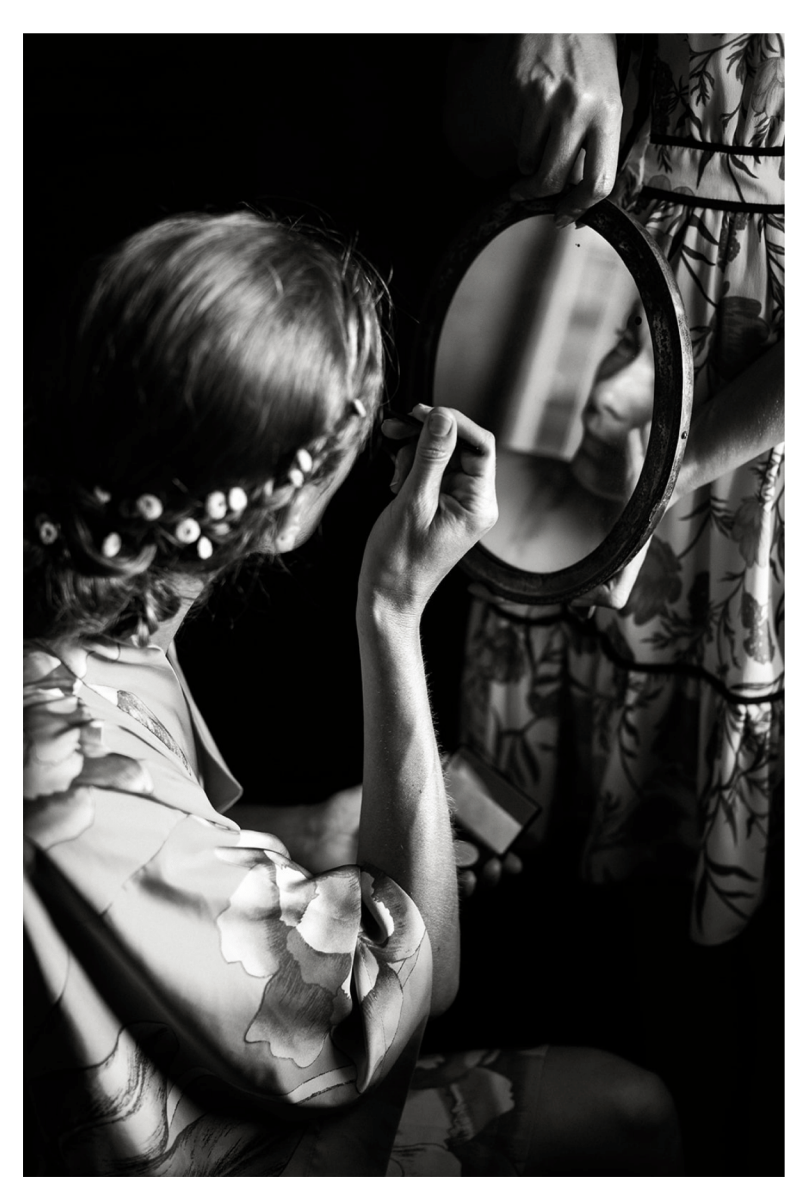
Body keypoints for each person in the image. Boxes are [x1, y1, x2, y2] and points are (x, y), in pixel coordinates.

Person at [23, 212, 680, 1174]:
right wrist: (393, 609)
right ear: (282, 508)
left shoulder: (88, 627)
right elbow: (416, 979)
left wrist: (301, 835)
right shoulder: (64, 764)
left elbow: (138, 855)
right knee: (635, 1112)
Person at [446, 34, 784, 946]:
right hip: (585, 282)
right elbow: (472, 119)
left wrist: (663, 476)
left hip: (739, 389)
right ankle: (501, 937)